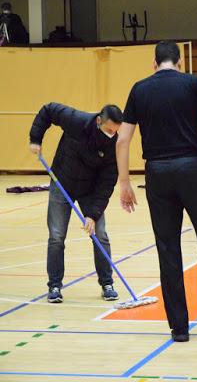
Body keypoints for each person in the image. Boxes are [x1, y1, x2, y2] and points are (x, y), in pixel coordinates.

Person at [116, 41, 197, 342]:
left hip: (157, 174)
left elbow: (122, 140)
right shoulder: (192, 83)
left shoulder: (139, 89)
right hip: (193, 169)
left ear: (154, 63)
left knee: (168, 250)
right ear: (179, 61)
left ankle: (179, 328)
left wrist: (124, 182)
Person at [29, 102, 123, 303]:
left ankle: (107, 283)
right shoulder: (76, 121)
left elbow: (107, 183)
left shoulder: (114, 145)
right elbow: (48, 110)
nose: (111, 135)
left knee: (100, 235)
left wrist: (93, 214)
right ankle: (54, 286)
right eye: (108, 130)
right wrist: (35, 139)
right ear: (99, 121)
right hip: (61, 183)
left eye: (115, 132)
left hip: (90, 190)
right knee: (56, 236)